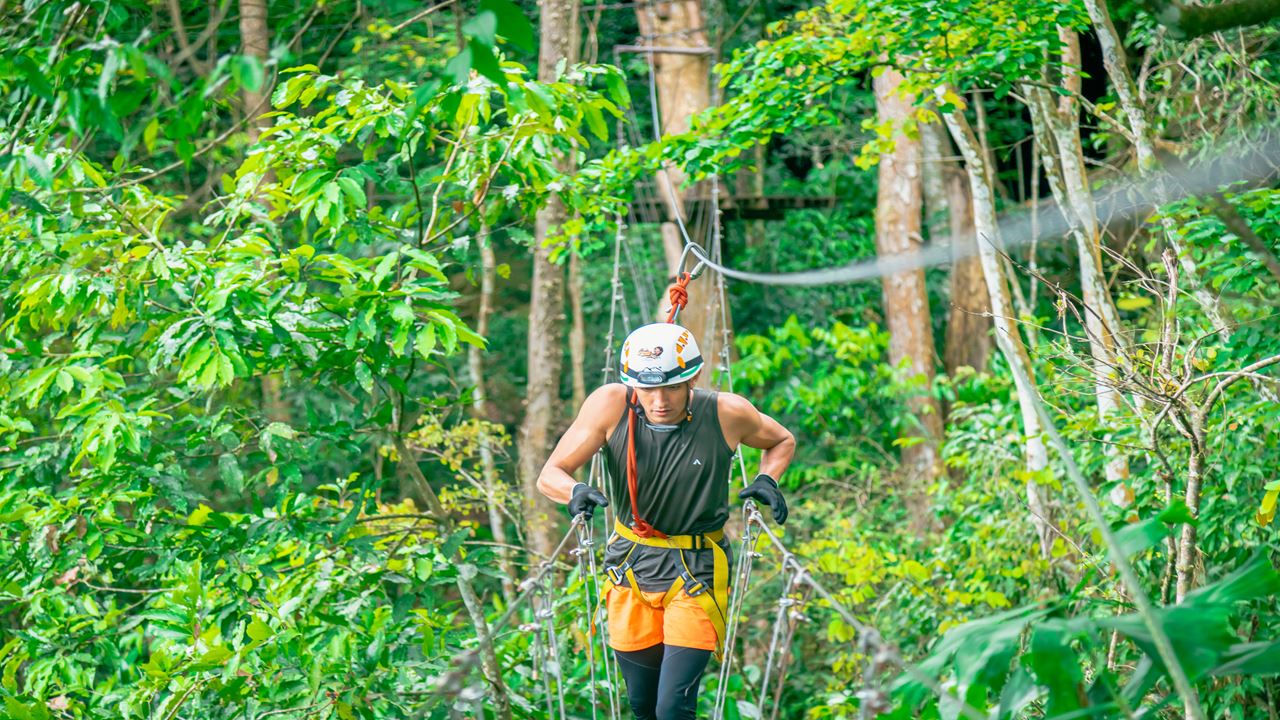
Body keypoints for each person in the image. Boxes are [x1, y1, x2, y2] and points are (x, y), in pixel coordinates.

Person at [536, 322, 796, 720]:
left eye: (671, 387)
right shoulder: (609, 405)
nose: (659, 401)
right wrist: (573, 491)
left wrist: (767, 478)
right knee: (643, 707)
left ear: (691, 378)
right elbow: (550, 473)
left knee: (673, 707)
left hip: (699, 570)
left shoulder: (725, 412)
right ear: (631, 385)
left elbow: (781, 440)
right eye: (647, 389)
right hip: (630, 569)